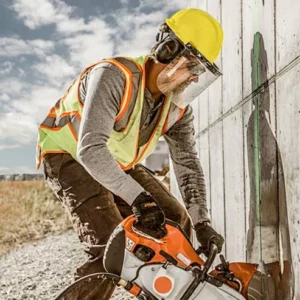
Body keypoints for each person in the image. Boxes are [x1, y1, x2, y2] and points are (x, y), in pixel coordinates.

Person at [36, 8, 224, 299]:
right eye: (193, 67)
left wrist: (202, 224)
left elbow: (187, 164)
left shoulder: (176, 108)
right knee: (109, 245)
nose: (195, 79)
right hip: (68, 154)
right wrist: (138, 199)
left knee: (174, 220)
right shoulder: (113, 76)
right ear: (167, 50)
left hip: (113, 159)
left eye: (201, 72)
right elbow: (90, 148)